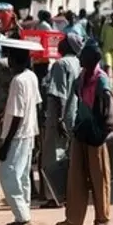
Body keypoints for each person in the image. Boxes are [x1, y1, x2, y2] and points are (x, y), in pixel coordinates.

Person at [56, 41, 113, 225]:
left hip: (96, 133)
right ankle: (73, 218)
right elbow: (75, 99)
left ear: (91, 59)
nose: (79, 58)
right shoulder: (81, 78)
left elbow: (108, 108)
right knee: (76, 177)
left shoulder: (101, 80)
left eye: (83, 56)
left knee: (99, 177)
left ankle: (101, 218)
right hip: (81, 130)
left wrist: (104, 132)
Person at [0, 39, 43, 225]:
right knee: (22, 175)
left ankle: (21, 217)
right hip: (29, 133)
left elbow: (17, 115)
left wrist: (6, 143)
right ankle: (24, 213)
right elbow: (37, 105)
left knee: (8, 175)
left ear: (15, 60)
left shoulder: (18, 81)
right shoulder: (31, 76)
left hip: (16, 136)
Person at [40, 33, 83, 209]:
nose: (59, 43)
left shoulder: (61, 64)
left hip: (60, 118)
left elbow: (59, 95)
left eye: (63, 41)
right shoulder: (77, 64)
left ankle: (55, 196)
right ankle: (65, 193)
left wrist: (58, 120)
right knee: (66, 156)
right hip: (73, 116)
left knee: (53, 156)